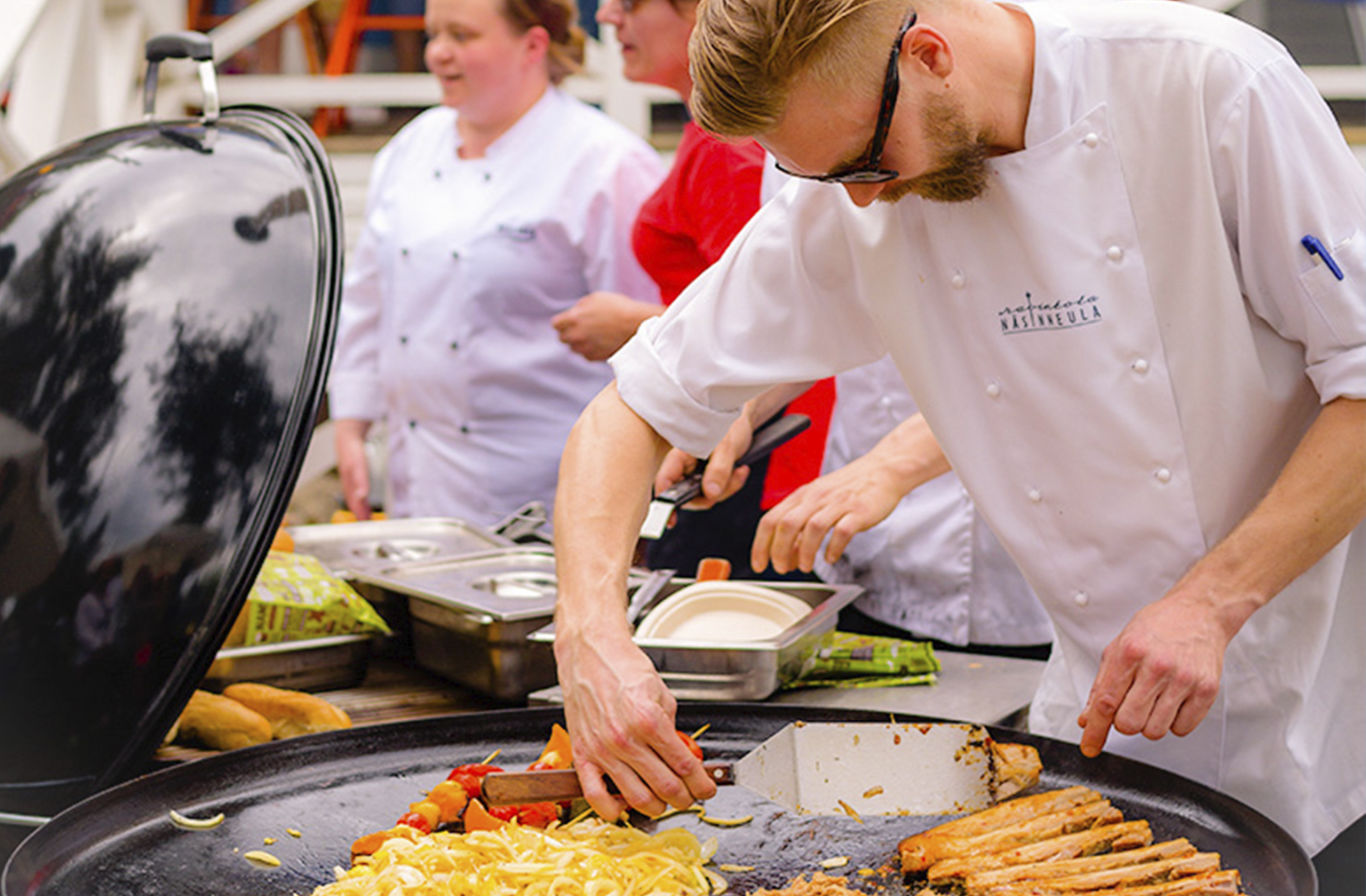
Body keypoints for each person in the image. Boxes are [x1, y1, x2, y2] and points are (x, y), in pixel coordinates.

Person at [548, 0, 1365, 864]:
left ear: (929, 53)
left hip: (1319, 717)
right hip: (1102, 723)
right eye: (821, 178)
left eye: (867, 162)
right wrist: (590, 636)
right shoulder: (852, 188)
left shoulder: (1210, 82)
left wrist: (1210, 602)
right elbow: (627, 409)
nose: (863, 199)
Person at [328, 0, 664, 527]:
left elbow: (648, 348)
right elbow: (368, 298)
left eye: (462, 36)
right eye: (433, 34)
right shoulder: (410, 147)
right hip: (416, 480)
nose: (438, 54)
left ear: (532, 45)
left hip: (549, 492)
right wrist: (349, 421)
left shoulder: (607, 163)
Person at [547, 0, 835, 578]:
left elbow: (767, 317)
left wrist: (632, 323)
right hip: (730, 435)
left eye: (631, 2)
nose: (606, 16)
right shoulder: (712, 135)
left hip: (747, 455)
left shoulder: (728, 148)